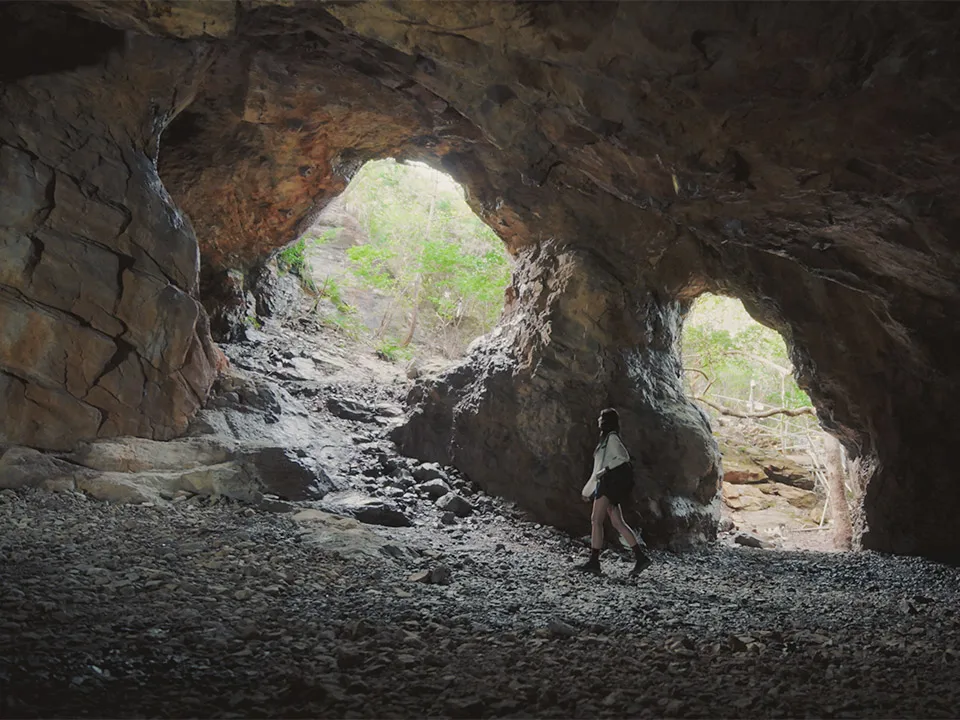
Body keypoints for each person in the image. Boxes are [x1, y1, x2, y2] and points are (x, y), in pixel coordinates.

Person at [576, 407, 652, 576]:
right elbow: (597, 469)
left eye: (600, 418)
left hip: (608, 485)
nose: (598, 420)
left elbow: (622, 457)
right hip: (606, 484)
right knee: (618, 523)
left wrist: (605, 471)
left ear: (606, 421)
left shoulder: (611, 439)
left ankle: (594, 561)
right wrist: (587, 490)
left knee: (596, 520)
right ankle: (641, 558)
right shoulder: (605, 441)